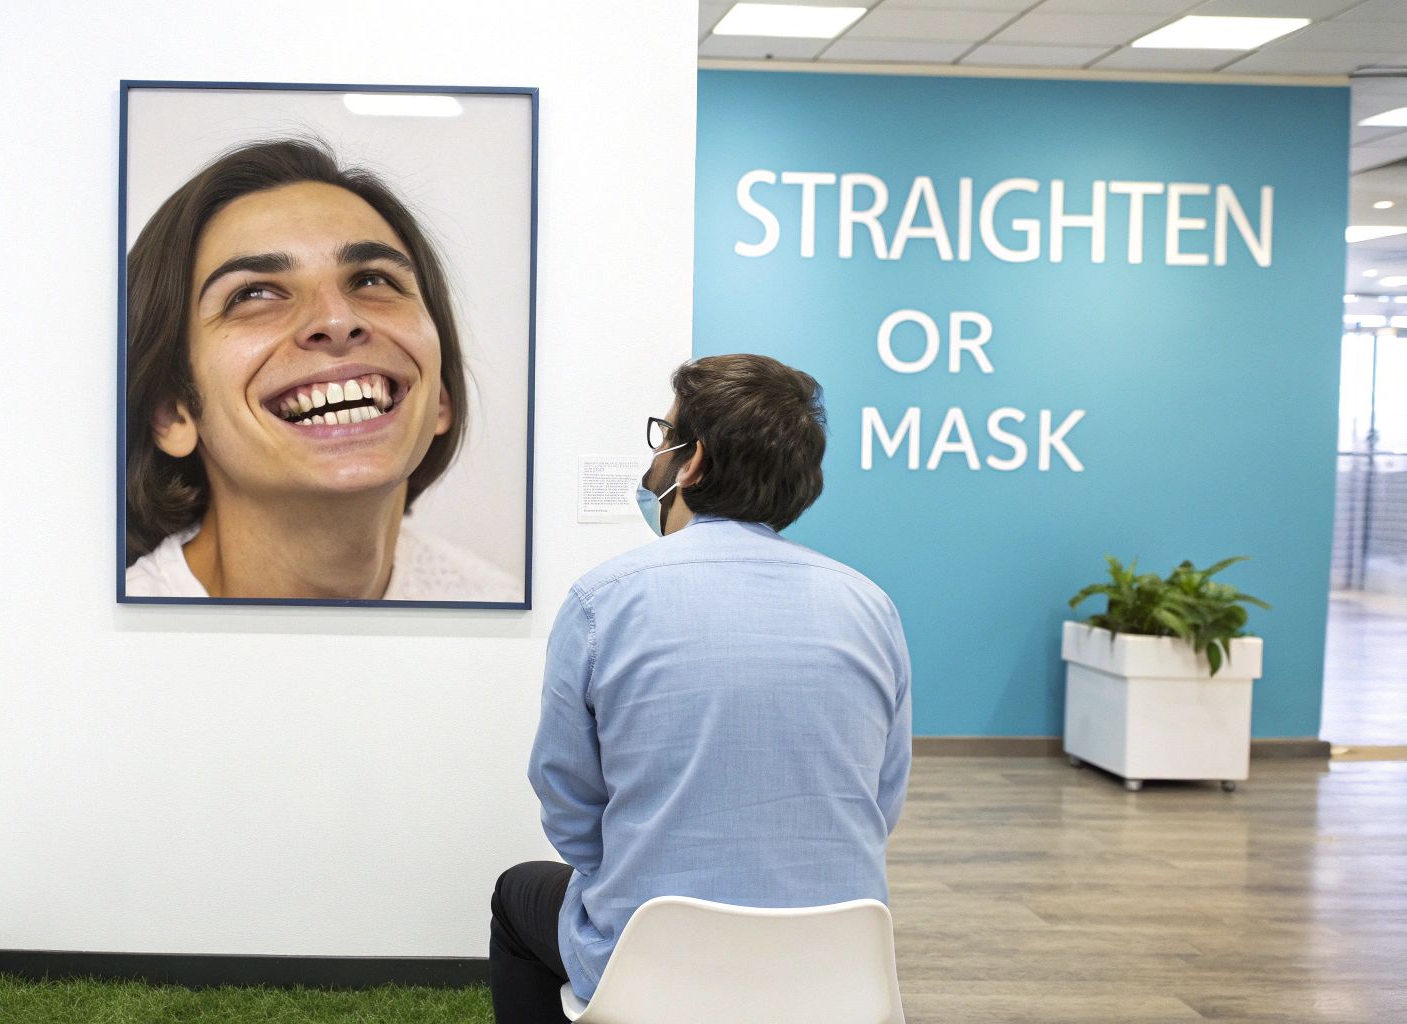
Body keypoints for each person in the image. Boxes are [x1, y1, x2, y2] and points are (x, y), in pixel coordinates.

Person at [489, 354, 913, 1023]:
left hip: (650, 966)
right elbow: (879, 806)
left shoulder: (604, 600)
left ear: (693, 462)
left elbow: (568, 805)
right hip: (838, 974)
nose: (655, 458)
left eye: (665, 436)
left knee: (517, 896)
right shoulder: (870, 608)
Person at [123, 138, 518, 602]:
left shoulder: (510, 616)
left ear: (441, 398)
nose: (336, 320)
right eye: (254, 294)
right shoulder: (90, 655)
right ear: (173, 413)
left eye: (373, 280)